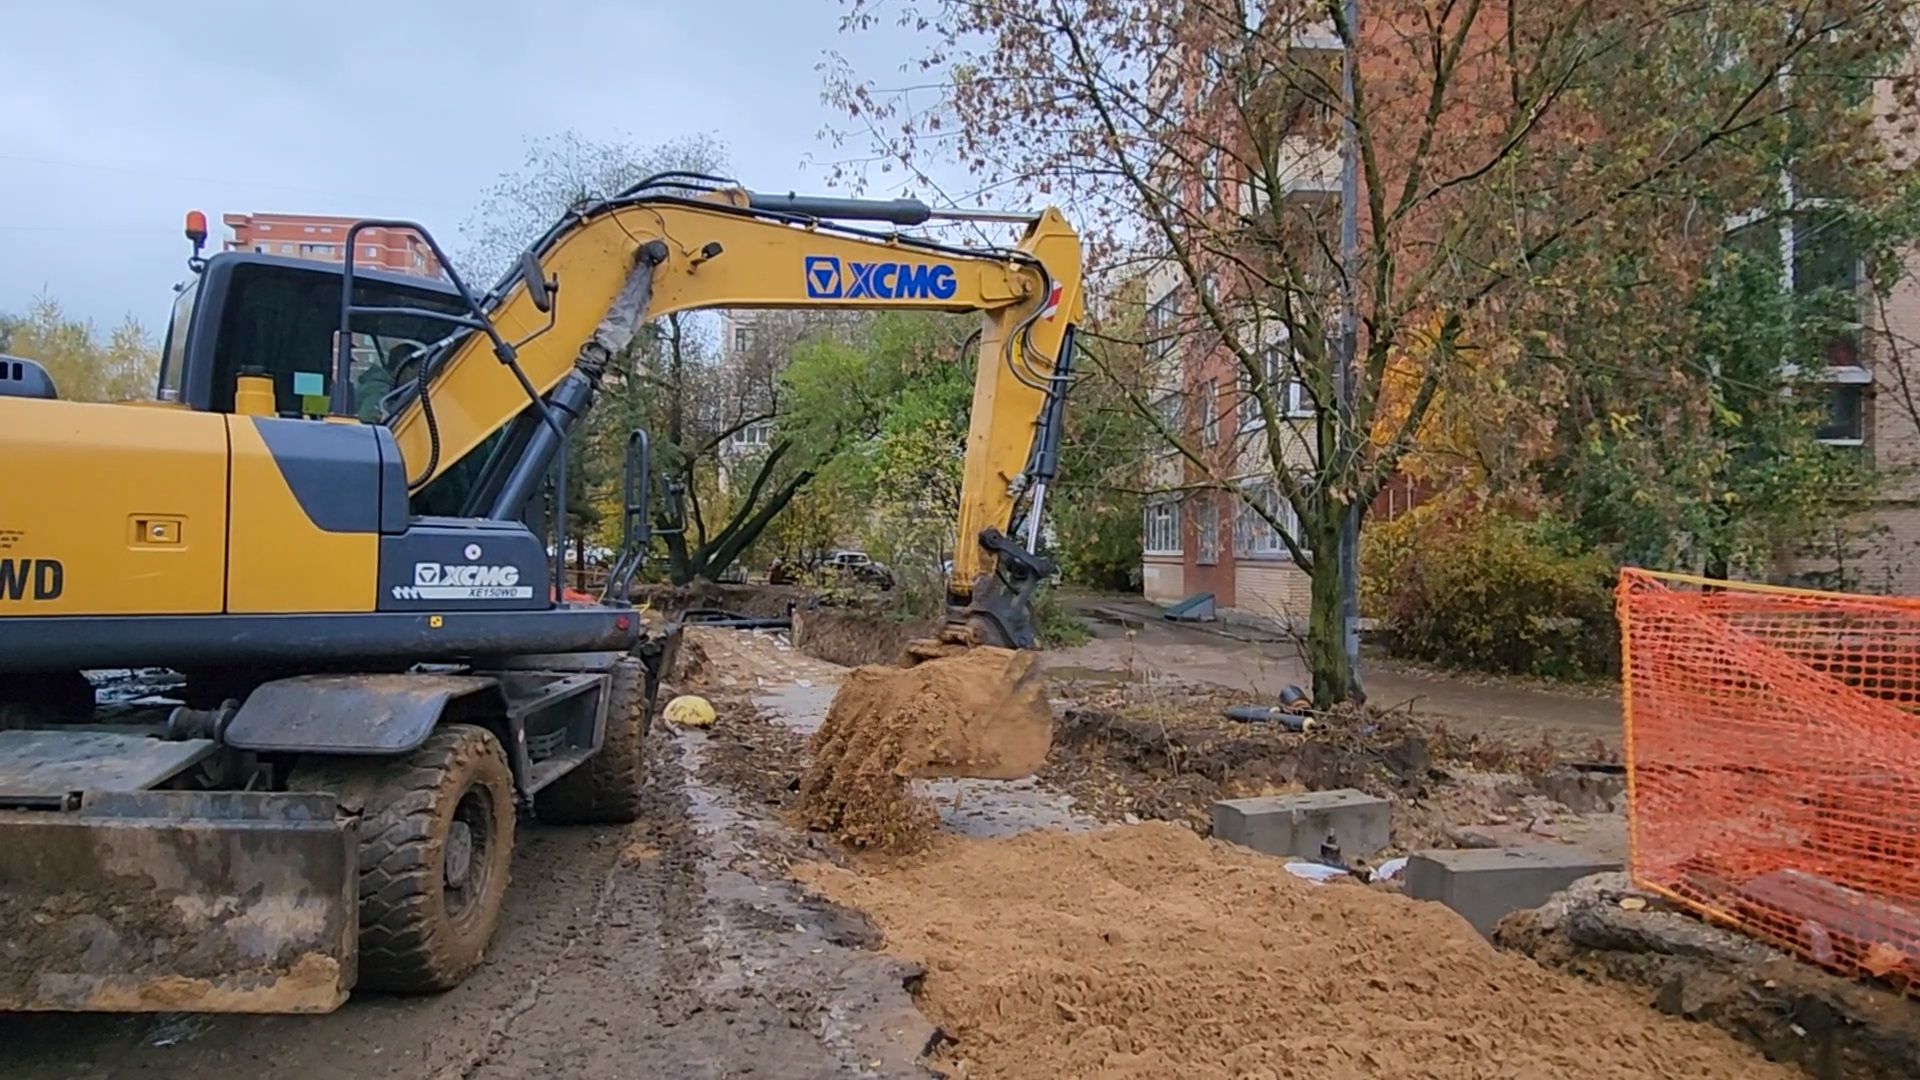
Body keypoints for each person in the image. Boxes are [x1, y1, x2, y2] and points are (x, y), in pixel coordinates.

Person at [355, 342, 422, 422]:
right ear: (406, 368)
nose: (419, 375)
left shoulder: (389, 387)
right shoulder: (378, 389)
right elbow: (369, 417)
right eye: (419, 369)